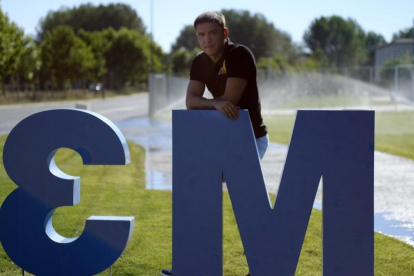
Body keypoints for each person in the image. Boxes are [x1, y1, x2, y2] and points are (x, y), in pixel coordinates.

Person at [161, 11, 268, 276]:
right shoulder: (199, 61)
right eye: (201, 34)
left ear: (224, 33)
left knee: (246, 203)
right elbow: (191, 101)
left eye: (211, 33)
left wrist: (213, 103)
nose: (206, 39)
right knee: (200, 196)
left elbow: (230, 102)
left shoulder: (239, 55)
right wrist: (214, 103)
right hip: (219, 140)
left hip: (250, 139)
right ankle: (191, 264)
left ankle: (266, 264)